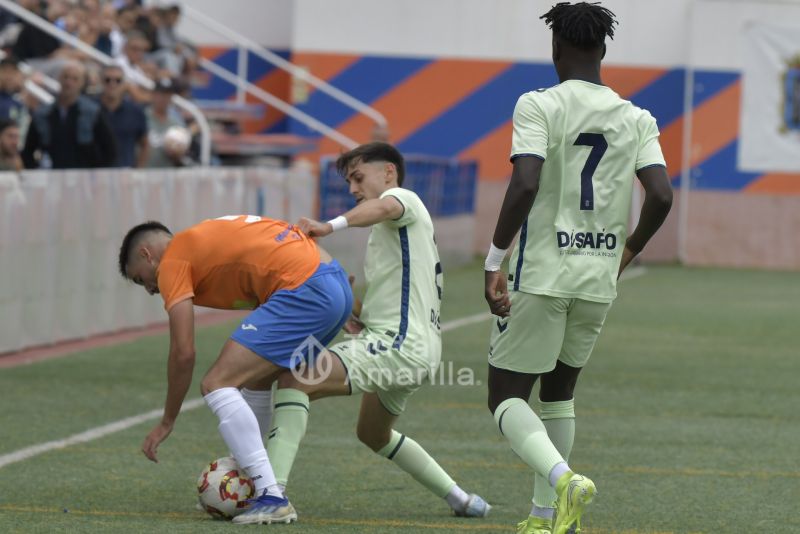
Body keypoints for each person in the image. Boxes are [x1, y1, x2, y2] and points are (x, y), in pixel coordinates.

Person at [482, 4, 673, 534]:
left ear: (555, 49)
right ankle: (547, 518)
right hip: (597, 278)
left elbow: (524, 183)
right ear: (604, 50)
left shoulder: (538, 105)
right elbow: (660, 194)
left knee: (504, 397)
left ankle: (565, 481)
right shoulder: (637, 117)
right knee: (559, 394)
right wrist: (627, 251)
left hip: (542, 274)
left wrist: (494, 260)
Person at [266, 142, 491, 520]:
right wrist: (351, 306)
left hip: (399, 346)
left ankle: (270, 496)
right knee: (373, 434)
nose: (353, 188)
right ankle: (462, 500)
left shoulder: (402, 198)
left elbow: (384, 206)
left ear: (388, 172)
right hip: (414, 347)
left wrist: (329, 225)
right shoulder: (394, 235)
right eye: (349, 181)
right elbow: (388, 300)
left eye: (358, 177)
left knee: (296, 378)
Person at [117, 214, 353, 525]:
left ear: (147, 254)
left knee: (216, 383)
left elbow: (183, 353)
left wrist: (167, 420)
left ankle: (272, 495)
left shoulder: (173, 261)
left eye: (140, 278)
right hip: (334, 287)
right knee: (255, 380)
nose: (148, 288)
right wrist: (343, 307)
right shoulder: (204, 243)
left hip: (308, 291)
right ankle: (251, 478)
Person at [21, 60, 117, 169]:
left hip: (84, 177)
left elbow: (109, 149)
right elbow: (28, 150)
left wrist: (96, 172)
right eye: (66, 77)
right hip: (52, 176)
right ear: (59, 79)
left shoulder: (92, 112)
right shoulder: (43, 114)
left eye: (75, 79)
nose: (69, 83)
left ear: (82, 83)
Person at [98, 64, 148, 168]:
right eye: (108, 80)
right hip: (96, 173)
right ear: (101, 82)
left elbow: (145, 144)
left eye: (118, 80)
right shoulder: (91, 109)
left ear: (124, 84)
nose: (112, 84)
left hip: (125, 173)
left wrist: (138, 170)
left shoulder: (135, 111)